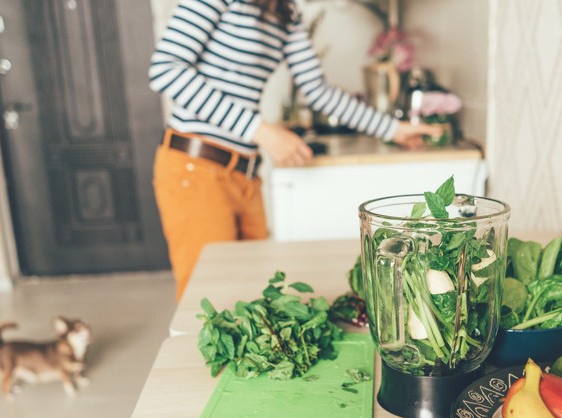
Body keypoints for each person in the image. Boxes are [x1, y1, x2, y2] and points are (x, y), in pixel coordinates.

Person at [149, 0, 441, 299]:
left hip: (245, 174)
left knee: (251, 296)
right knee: (207, 300)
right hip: (195, 168)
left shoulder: (285, 10)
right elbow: (165, 70)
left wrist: (393, 130)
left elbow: (317, 90)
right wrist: (260, 130)